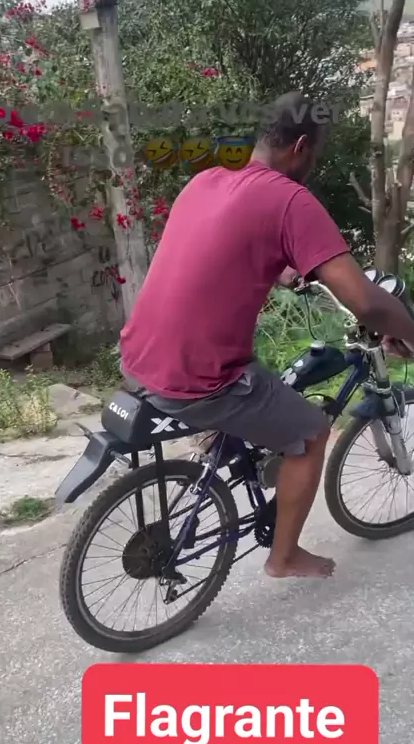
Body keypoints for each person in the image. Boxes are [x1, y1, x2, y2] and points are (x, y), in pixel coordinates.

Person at [120, 91, 414, 579]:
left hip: (138, 354)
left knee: (268, 381)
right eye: (315, 155)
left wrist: (281, 271)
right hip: (199, 379)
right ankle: (284, 557)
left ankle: (241, 455)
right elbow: (365, 301)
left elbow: (221, 246)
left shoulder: (208, 178)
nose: (312, 166)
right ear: (300, 147)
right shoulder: (289, 198)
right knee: (312, 431)